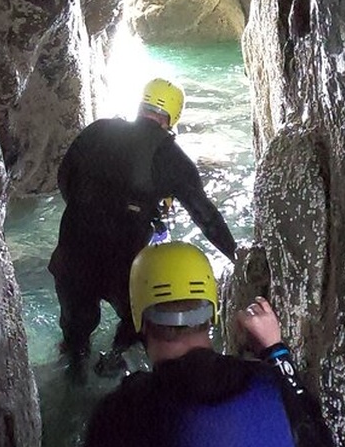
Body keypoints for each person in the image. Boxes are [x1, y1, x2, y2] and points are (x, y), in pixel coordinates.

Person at [75, 242, 339, 447]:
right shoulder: (267, 384)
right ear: (212, 311)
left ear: (138, 319)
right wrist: (276, 352)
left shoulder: (117, 416)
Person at [49, 78, 237, 378]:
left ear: (140, 105)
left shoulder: (98, 131)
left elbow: (64, 177)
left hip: (73, 253)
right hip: (122, 263)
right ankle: (116, 361)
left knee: (75, 336)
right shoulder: (171, 158)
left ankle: (74, 373)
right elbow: (206, 217)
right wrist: (235, 253)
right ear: (172, 117)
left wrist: (88, 211)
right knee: (136, 325)